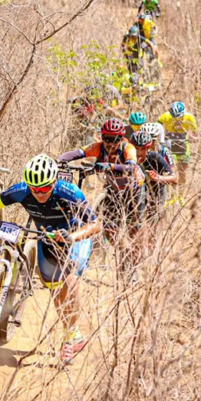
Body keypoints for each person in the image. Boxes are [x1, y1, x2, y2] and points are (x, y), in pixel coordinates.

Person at [0, 154, 102, 365]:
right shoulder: (22, 190)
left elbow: (95, 225)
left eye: (44, 188)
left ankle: (71, 337)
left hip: (75, 238)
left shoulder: (70, 193)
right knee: (56, 291)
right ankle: (72, 332)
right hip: (47, 238)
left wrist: (71, 237)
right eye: (34, 189)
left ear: (54, 182)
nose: (39, 193)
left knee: (70, 284)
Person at [58, 119, 146, 281]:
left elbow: (130, 167)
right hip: (113, 191)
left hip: (133, 193)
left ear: (121, 139)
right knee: (110, 231)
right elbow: (76, 153)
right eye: (107, 138)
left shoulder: (128, 148)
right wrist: (59, 160)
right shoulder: (97, 147)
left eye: (115, 139)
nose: (110, 144)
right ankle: (123, 253)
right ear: (102, 137)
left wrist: (110, 167)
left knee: (134, 233)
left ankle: (134, 269)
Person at [130, 130, 177, 223]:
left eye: (142, 149)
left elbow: (174, 179)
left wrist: (157, 178)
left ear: (148, 148)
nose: (139, 153)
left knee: (155, 220)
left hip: (156, 192)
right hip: (135, 192)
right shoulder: (127, 157)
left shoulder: (155, 157)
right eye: (136, 148)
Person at [158, 101, 197, 186]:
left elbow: (195, 133)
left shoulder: (190, 117)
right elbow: (157, 126)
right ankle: (172, 193)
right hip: (169, 143)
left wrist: (193, 137)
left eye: (179, 117)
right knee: (172, 169)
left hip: (183, 144)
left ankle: (181, 195)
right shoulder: (165, 116)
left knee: (182, 170)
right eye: (174, 117)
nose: (177, 119)